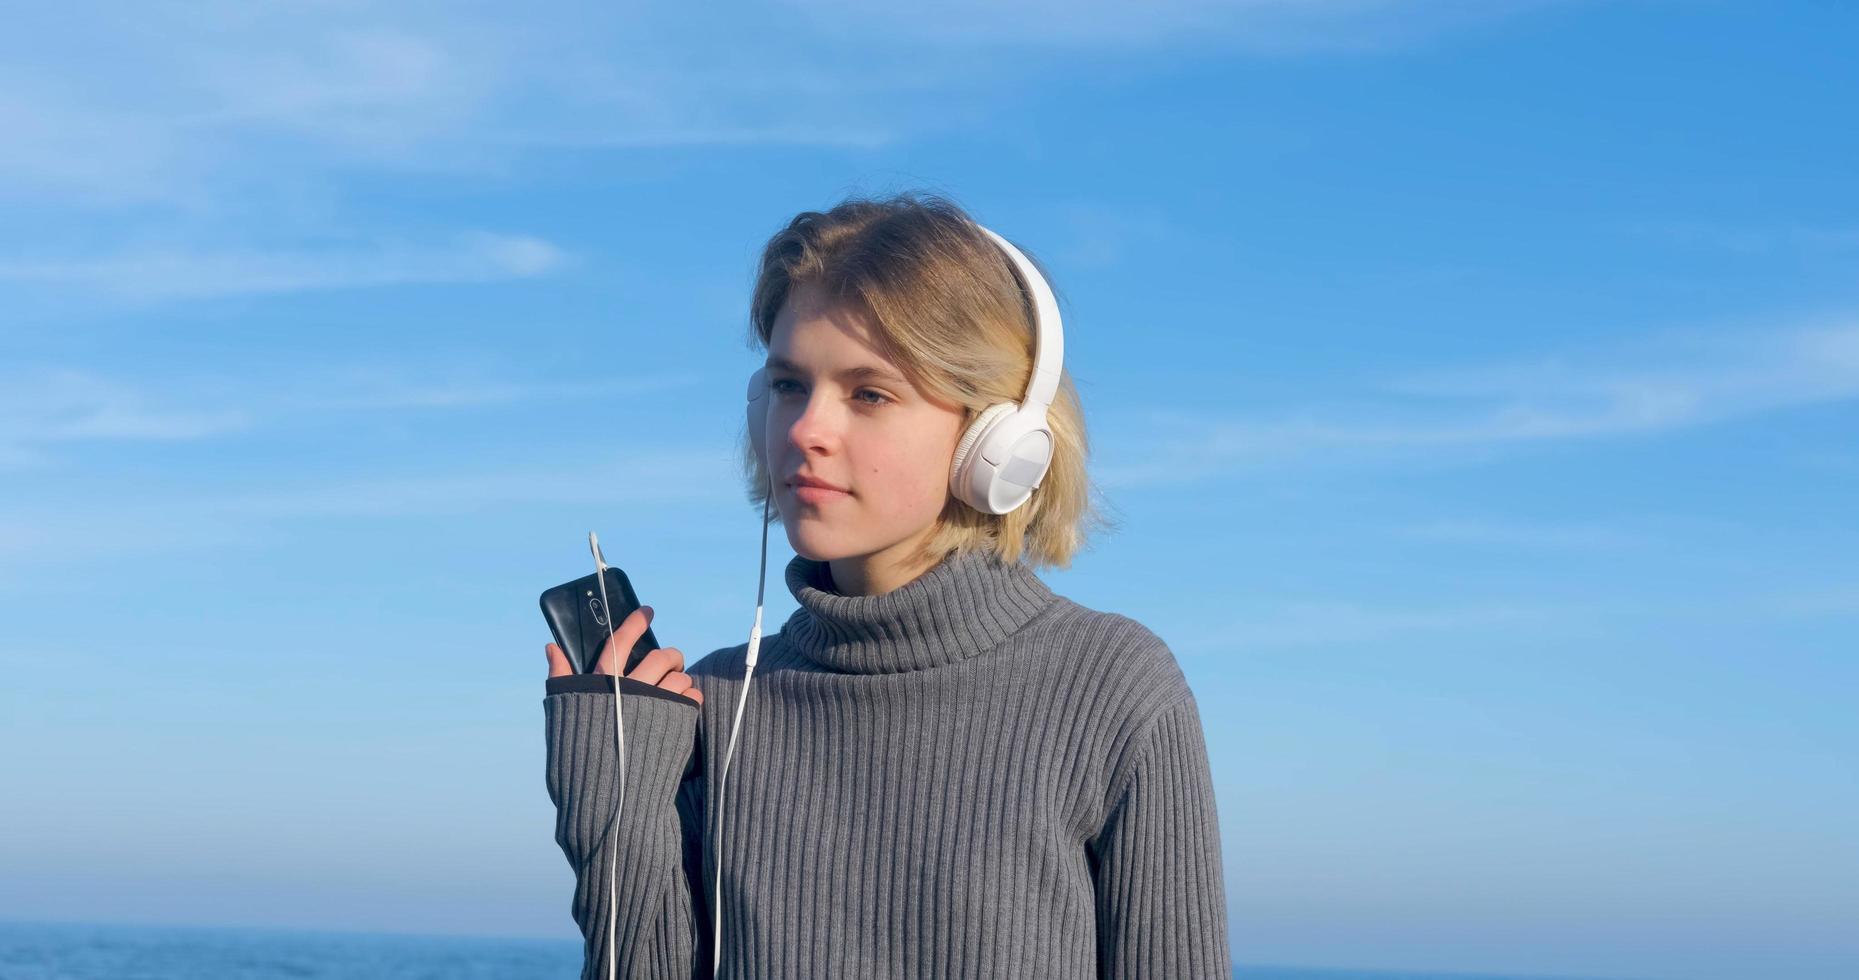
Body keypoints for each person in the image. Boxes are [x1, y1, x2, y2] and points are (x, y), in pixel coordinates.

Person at [539, 191, 1231, 979]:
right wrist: (614, 794)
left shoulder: (1112, 686)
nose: (805, 430)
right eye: (789, 386)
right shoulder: (713, 705)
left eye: (869, 393)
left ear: (994, 440)